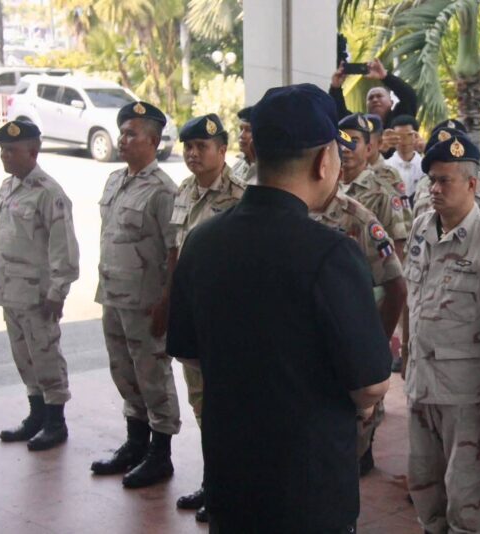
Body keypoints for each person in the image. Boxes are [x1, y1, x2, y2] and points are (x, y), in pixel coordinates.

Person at [166, 83, 392, 532]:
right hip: (307, 488)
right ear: (323, 160)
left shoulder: (202, 240)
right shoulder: (331, 253)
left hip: (231, 479)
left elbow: (189, 353)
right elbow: (371, 384)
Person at [403, 134, 480, 533]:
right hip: (421, 383)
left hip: (468, 393)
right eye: (432, 181)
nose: (435, 189)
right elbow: (411, 297)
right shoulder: (421, 228)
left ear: (472, 184)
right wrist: (405, 358)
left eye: (445, 181)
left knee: (464, 497)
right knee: (423, 486)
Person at [90, 101, 181, 489]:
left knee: (152, 374)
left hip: (147, 302)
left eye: (131, 134)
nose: (123, 139)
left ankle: (160, 454)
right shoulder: (115, 180)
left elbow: (175, 250)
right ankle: (135, 443)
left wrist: (167, 302)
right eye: (122, 132)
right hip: (114, 294)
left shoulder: (163, 190)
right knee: (124, 371)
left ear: (154, 142)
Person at [170, 114, 245, 523]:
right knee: (201, 405)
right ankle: (212, 481)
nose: (193, 153)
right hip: (193, 317)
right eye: (188, 147)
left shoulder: (240, 196)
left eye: (202, 146)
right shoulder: (184, 191)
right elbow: (176, 252)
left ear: (222, 150)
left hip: (226, 321)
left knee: (227, 409)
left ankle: (228, 488)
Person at [0, 120, 79, 451]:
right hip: (11, 289)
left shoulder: (49, 193)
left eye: (11, 150)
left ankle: (56, 421)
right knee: (23, 356)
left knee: (45, 355)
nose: (5, 156)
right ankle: (37, 415)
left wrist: (58, 292)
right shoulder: (8, 187)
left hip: (38, 294)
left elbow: (64, 248)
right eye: (2, 150)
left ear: (33, 151)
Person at [311, 179, 406, 476]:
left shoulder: (357, 218)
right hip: (304, 358)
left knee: (343, 460)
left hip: (344, 356)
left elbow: (396, 287)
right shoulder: (289, 211)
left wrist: (376, 347)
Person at [339, 113, 408, 261]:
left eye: (353, 141)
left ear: (368, 149)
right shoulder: (327, 187)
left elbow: (398, 246)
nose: (345, 148)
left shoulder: (383, 193)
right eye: (341, 141)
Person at [329, 57, 418, 130]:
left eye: (379, 96)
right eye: (370, 98)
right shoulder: (361, 124)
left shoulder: (400, 118)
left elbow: (409, 98)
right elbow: (339, 114)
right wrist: (336, 88)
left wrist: (385, 76)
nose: (375, 100)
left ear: (391, 102)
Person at [365, 113, 412, 237]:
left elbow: (406, 220)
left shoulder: (390, 175)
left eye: (368, 140)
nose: (364, 145)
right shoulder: (346, 171)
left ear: (380, 142)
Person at [385, 114, 424, 199]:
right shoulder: (385, 167)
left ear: (416, 135)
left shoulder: (425, 167)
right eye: (399, 136)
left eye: (408, 135)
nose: (404, 140)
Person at [230, 105, 256, 185]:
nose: (241, 135)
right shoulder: (239, 164)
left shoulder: (268, 171)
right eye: (241, 129)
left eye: (248, 130)